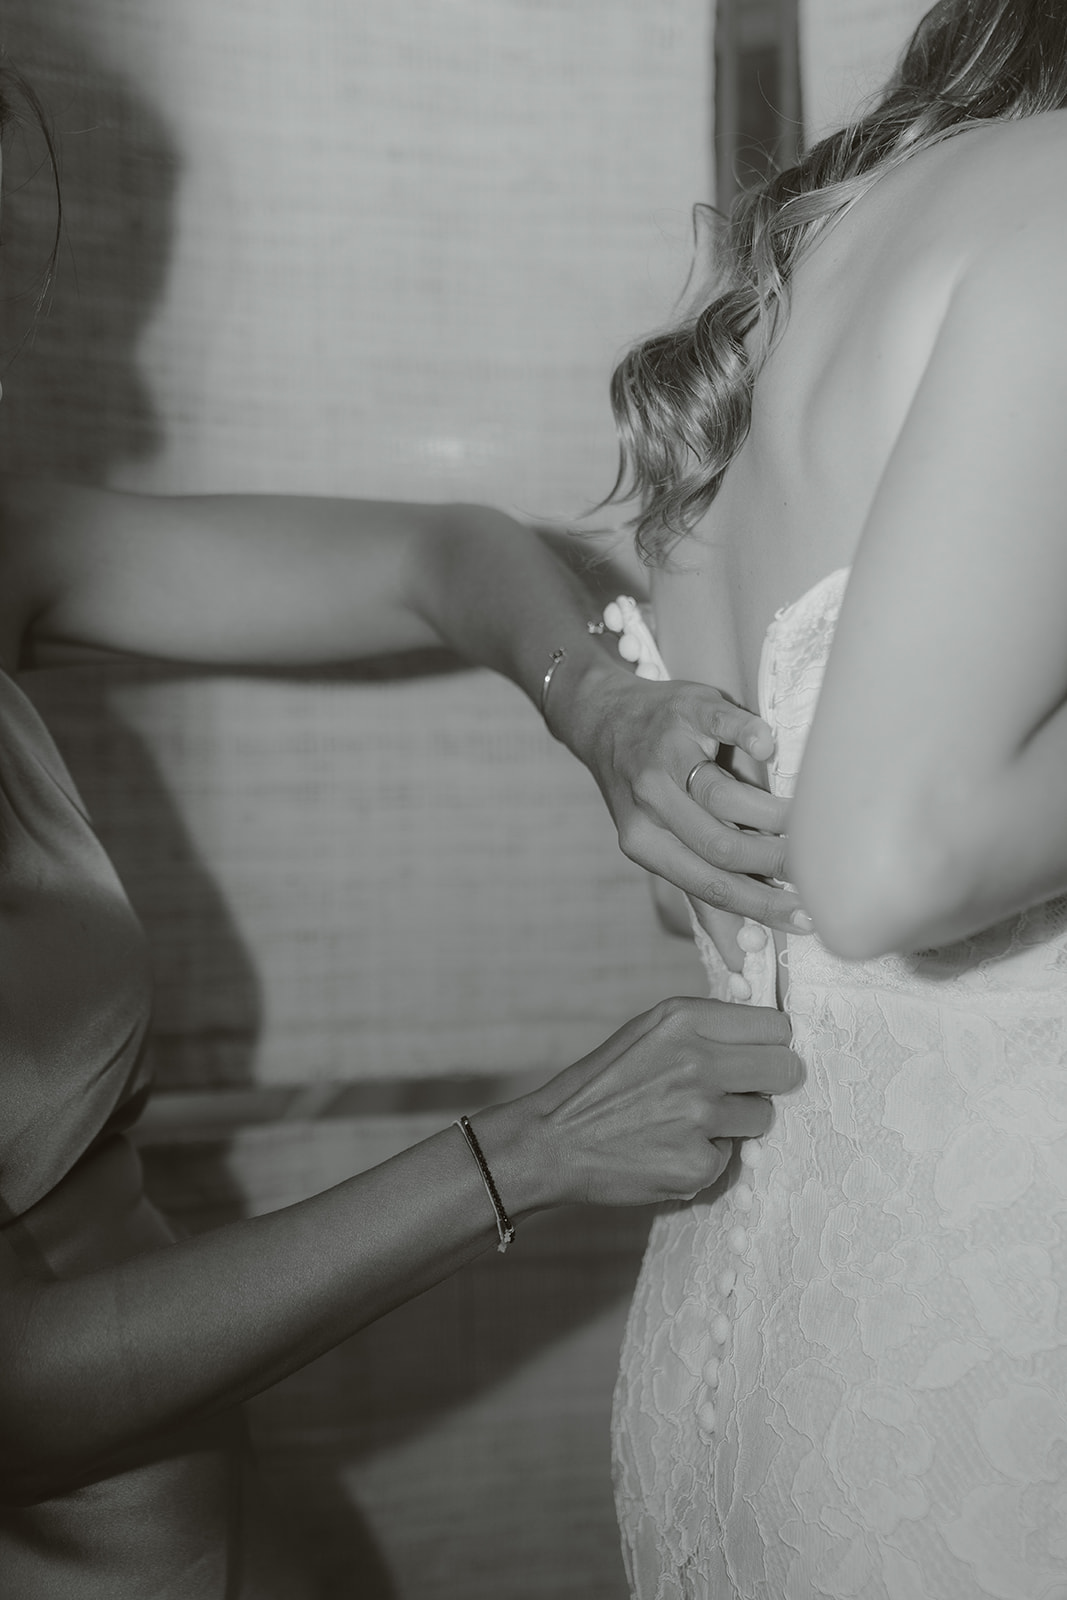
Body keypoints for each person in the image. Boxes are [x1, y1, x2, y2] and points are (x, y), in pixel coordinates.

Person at [0, 62, 808, 1600]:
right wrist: (530, 1150)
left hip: (210, 1519)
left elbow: (442, 555)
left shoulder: (8, 546)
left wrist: (597, 709)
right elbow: (22, 1393)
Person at [607, 3, 1067, 1595]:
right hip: (1000, 1373)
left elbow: (715, 882)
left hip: (745, 1361)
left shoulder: (810, 266)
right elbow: (891, 858)